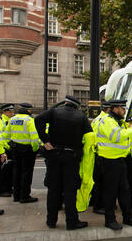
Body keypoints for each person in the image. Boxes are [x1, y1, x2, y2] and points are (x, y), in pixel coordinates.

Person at [35, 95, 92, 230]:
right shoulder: (81, 116)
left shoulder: (54, 112)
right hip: (71, 157)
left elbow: (38, 119)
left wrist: (46, 140)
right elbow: (89, 135)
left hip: (54, 155)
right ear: (76, 106)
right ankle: (72, 222)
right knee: (70, 190)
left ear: (66, 103)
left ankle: (51, 220)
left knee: (53, 189)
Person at [96, 99, 132, 230]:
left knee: (124, 191)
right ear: (115, 109)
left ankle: (128, 217)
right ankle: (110, 220)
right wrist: (131, 129)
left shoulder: (117, 121)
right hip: (110, 161)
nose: (124, 111)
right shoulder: (107, 121)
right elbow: (117, 137)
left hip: (119, 160)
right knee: (110, 192)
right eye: (123, 108)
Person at [3, 103, 39, 203]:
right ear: (28, 110)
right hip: (27, 149)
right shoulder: (29, 120)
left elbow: (5, 135)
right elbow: (34, 137)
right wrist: (35, 149)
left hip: (15, 148)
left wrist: (7, 146)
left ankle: (16, 195)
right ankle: (24, 196)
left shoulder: (12, 119)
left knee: (16, 171)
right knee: (26, 173)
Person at [89, 101, 112, 215]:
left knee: (98, 181)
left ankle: (95, 203)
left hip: (97, 153)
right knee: (101, 182)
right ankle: (99, 206)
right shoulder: (105, 120)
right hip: (102, 154)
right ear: (108, 110)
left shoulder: (97, 119)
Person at [0, 103, 15, 197]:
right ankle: (2, 189)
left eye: (12, 111)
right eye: (10, 111)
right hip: (5, 147)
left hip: (10, 147)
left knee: (10, 169)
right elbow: (0, 136)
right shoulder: (2, 121)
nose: (12, 112)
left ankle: (8, 188)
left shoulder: (11, 120)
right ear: (4, 112)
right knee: (4, 170)